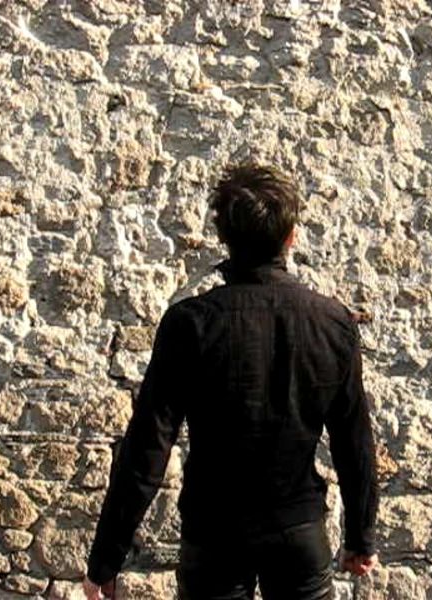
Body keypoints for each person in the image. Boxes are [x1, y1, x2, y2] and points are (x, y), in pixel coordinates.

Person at [83, 163, 380, 599]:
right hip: (297, 528)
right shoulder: (332, 323)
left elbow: (147, 448)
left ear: (223, 235)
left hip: (214, 533)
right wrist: (360, 537)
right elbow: (354, 441)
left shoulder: (191, 325)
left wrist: (106, 559)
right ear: (291, 236)